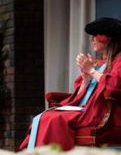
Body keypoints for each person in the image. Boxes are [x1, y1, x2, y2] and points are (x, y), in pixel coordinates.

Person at [20, 17, 121, 151]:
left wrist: (91, 70)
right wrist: (85, 78)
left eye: (95, 35)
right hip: (88, 109)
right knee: (43, 117)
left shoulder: (118, 61)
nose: (92, 39)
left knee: (52, 119)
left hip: (105, 113)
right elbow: (81, 97)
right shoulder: (99, 63)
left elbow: (113, 86)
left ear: (108, 38)